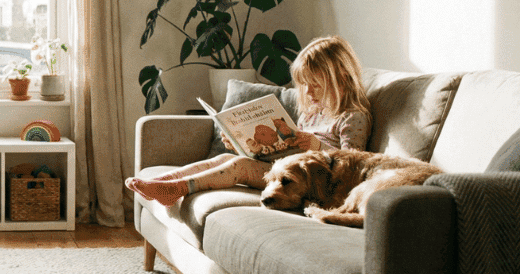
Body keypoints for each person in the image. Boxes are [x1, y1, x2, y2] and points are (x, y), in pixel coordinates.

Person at [125, 36, 373, 207]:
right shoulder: (312, 111)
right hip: (282, 169)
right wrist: (241, 142)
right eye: (304, 85)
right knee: (226, 158)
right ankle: (163, 182)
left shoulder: (353, 115)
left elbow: (353, 166)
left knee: (238, 168)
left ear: (341, 78)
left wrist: (316, 145)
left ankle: (178, 190)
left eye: (315, 85)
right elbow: (288, 148)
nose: (307, 93)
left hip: (308, 184)